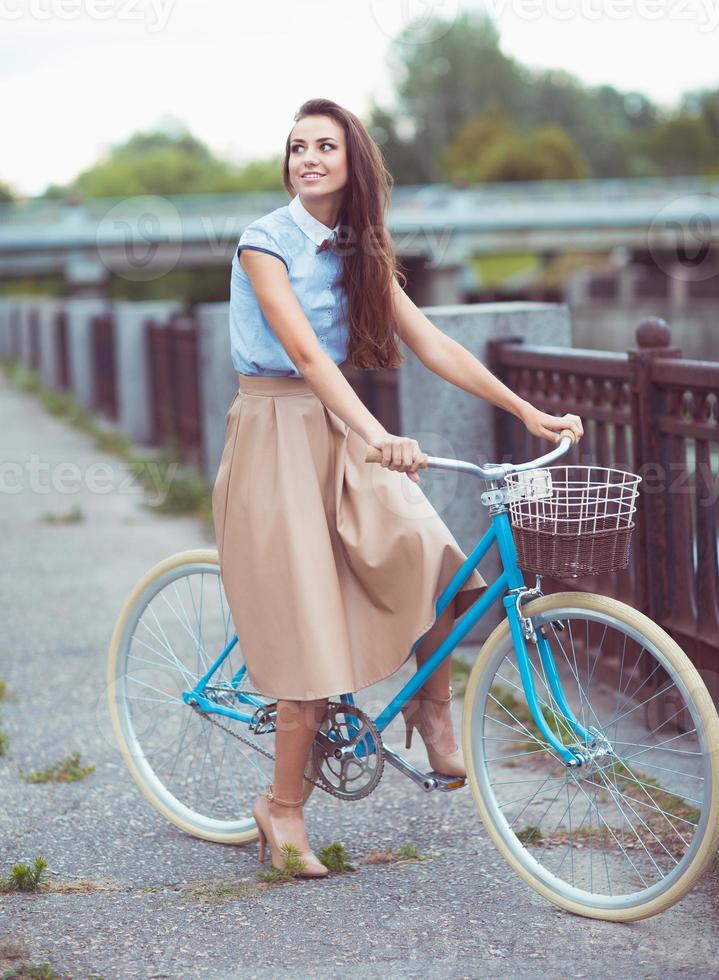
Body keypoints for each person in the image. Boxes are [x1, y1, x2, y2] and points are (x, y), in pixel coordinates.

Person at [211, 98, 584, 878]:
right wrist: (376, 434)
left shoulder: (360, 250)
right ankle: (280, 811)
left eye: (324, 146)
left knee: (436, 560)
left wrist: (525, 410)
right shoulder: (264, 243)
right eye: (296, 147)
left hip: (341, 428)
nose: (307, 157)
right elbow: (309, 358)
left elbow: (431, 341)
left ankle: (430, 709)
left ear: (353, 164)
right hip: (277, 431)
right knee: (309, 642)